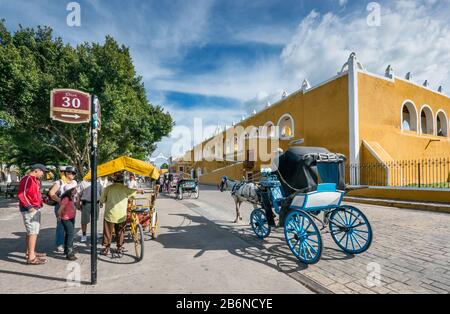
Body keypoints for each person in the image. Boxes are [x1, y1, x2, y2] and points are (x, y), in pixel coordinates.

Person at [100, 172, 144, 256]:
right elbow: (134, 194)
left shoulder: (108, 188)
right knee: (120, 232)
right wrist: (140, 191)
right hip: (121, 214)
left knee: (108, 232)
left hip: (110, 214)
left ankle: (107, 249)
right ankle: (119, 247)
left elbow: (102, 200)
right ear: (122, 180)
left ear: (113, 180)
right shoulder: (125, 188)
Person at [17, 164, 48, 265]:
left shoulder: (34, 180)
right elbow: (22, 194)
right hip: (30, 210)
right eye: (42, 172)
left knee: (31, 232)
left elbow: (33, 194)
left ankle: (30, 252)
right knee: (33, 232)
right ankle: (31, 258)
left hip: (34, 208)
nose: (43, 174)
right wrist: (29, 207)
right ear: (37, 170)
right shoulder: (27, 179)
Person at [48, 166, 78, 253]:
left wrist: (76, 203)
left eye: (74, 173)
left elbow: (75, 194)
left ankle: (68, 244)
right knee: (61, 226)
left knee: (71, 226)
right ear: (66, 173)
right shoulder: (60, 182)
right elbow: (51, 193)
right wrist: (61, 201)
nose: (72, 175)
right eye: (70, 173)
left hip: (71, 207)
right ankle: (60, 244)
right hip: (61, 207)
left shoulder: (74, 182)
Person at [57, 187, 78, 260]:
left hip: (71, 218)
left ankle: (66, 250)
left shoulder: (71, 197)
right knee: (70, 235)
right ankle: (69, 253)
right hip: (66, 219)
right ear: (70, 190)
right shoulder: (66, 198)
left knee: (68, 234)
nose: (76, 191)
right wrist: (59, 216)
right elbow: (60, 209)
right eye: (74, 189)